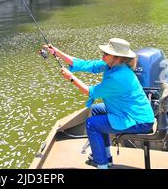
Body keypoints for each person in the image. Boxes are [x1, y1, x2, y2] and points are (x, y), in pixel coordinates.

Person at [44, 38, 155, 169]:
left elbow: (90, 91)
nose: (102, 55)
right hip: (128, 111)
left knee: (92, 124)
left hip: (139, 121)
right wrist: (57, 52)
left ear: (117, 57)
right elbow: (86, 64)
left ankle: (101, 164)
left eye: (106, 53)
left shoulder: (117, 77)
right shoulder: (113, 66)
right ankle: (106, 158)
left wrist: (71, 78)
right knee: (96, 110)